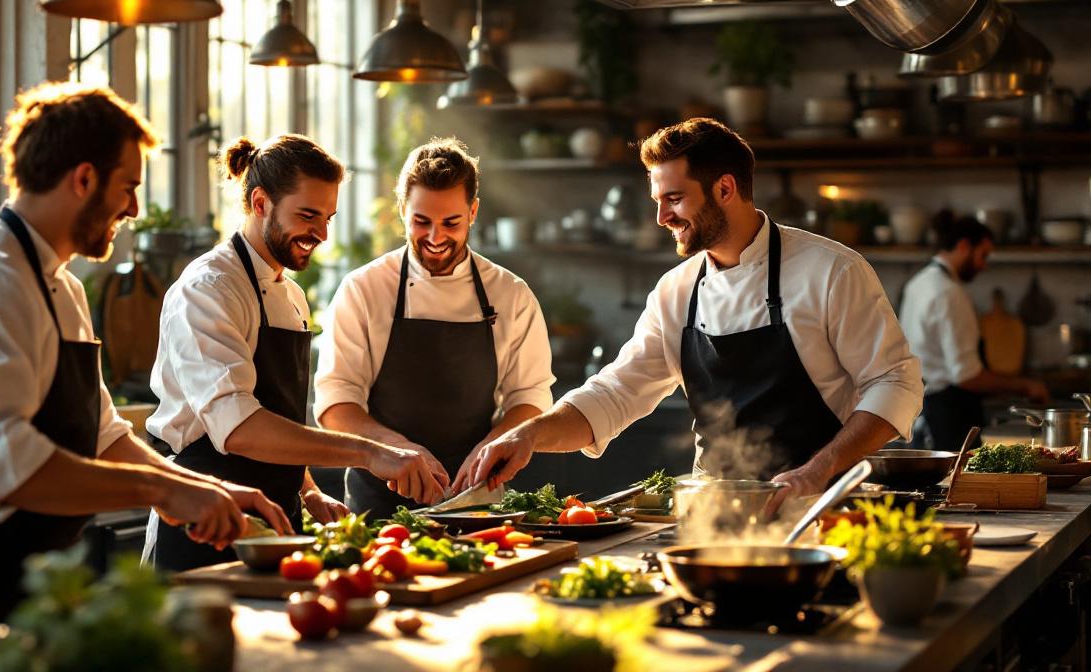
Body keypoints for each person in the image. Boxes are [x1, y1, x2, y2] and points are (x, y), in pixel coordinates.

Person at [0, 82, 289, 658]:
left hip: (30, 579)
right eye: (127, 187)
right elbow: (4, 469)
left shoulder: (65, 286)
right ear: (83, 179)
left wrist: (206, 486)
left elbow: (103, 436)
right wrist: (162, 489)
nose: (132, 208)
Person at [461, 118, 925, 504]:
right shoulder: (676, 292)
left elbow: (895, 383)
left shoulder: (831, 271)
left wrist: (817, 469)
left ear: (725, 188)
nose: (662, 218)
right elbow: (616, 392)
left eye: (675, 199)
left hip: (823, 506)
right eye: (658, 201)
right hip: (715, 516)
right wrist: (529, 435)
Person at [145, 134, 450, 571]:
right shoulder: (209, 288)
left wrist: (306, 490)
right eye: (308, 216)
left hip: (278, 525)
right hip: (203, 525)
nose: (322, 234)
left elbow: (279, 417)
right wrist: (369, 452)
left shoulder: (290, 295)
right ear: (260, 202)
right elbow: (238, 428)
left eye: (328, 217)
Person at [315, 138, 555, 514]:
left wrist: (490, 447)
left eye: (451, 222)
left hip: (477, 499)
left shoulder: (511, 295)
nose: (435, 237)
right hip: (378, 506)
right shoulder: (363, 290)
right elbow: (335, 403)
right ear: (401, 211)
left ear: (473, 212)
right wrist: (393, 449)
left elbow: (530, 398)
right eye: (421, 221)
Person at [899, 213, 1050, 450]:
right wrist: (1024, 385)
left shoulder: (918, 282)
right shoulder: (949, 293)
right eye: (983, 255)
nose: (984, 265)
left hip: (924, 409)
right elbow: (966, 375)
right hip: (949, 418)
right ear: (963, 246)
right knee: (959, 486)